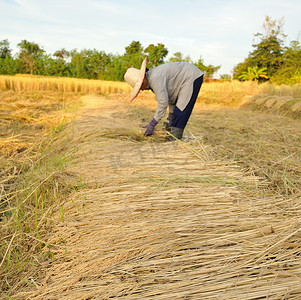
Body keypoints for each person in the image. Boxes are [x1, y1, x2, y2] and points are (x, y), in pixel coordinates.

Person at [124, 58, 204, 140]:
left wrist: (152, 123)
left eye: (141, 86)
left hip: (191, 76)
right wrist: (171, 115)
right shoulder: (152, 79)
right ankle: (172, 137)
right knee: (176, 114)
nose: (142, 89)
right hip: (186, 78)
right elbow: (171, 97)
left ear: (144, 78)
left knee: (181, 111)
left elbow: (163, 103)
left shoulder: (154, 78)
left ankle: (175, 141)